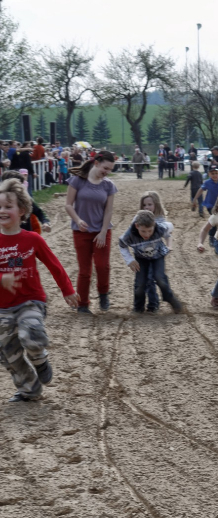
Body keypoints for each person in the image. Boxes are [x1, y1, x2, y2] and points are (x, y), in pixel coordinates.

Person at [0, 178, 78, 402]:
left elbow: (55, 265)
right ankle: (29, 389)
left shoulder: (32, 239)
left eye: (8, 206)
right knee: (8, 354)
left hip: (30, 302)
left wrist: (67, 290)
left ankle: (40, 360)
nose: (2, 211)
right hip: (3, 308)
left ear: (21, 211)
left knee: (31, 334)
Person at [64, 150, 117, 314]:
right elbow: (68, 205)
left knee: (102, 266)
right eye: (105, 168)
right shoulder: (77, 181)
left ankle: (103, 293)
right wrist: (78, 220)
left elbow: (108, 211)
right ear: (96, 163)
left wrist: (103, 232)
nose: (107, 172)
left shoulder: (109, 185)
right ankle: (82, 304)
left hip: (101, 231)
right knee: (84, 270)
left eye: (110, 170)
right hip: (81, 232)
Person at [119, 210, 182, 314]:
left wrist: (169, 243)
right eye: (143, 231)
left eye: (150, 230)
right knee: (140, 284)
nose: (147, 234)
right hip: (141, 258)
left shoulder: (160, 228)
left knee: (160, 278)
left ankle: (170, 298)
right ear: (137, 226)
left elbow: (170, 227)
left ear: (154, 225)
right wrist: (129, 260)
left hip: (158, 256)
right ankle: (138, 308)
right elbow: (122, 245)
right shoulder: (130, 234)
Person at [137, 191, 173, 312]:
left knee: (158, 277)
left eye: (149, 204)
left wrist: (169, 246)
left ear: (156, 205)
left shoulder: (160, 220)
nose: (147, 207)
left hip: (157, 254)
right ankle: (153, 304)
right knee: (148, 278)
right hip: (144, 254)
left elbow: (167, 235)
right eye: (144, 205)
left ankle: (168, 295)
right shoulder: (140, 219)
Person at [193, 165, 218, 246]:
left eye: (216, 173)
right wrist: (195, 199)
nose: (214, 175)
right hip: (211, 205)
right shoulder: (207, 182)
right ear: (209, 174)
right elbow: (201, 190)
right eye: (212, 173)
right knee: (216, 219)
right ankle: (212, 236)